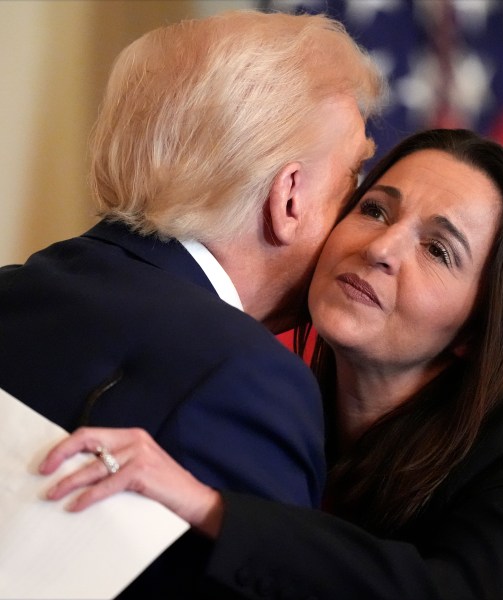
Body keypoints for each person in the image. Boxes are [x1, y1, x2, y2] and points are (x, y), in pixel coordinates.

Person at [41, 129, 503, 599]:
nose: (382, 248)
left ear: (477, 331)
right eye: (375, 209)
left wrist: (212, 510)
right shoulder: (270, 404)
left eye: (438, 250)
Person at [0, 10, 384, 598]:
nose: (362, 217)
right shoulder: (247, 381)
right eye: (353, 176)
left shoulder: (19, 286)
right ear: (290, 199)